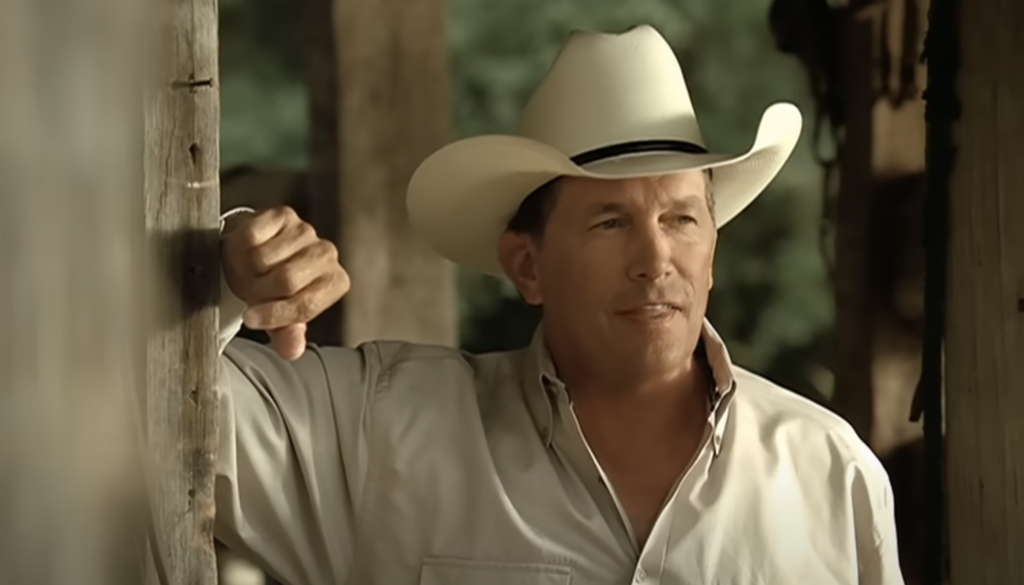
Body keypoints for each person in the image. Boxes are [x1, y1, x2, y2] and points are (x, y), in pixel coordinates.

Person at [214, 24, 905, 585]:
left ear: (713, 249)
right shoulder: (383, 432)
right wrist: (223, 272)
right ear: (528, 264)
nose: (655, 259)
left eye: (682, 220)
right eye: (610, 221)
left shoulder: (830, 474)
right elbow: (152, 398)